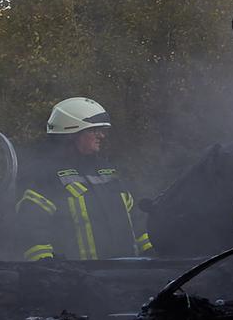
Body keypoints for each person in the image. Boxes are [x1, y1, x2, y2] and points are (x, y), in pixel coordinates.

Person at [17, 97, 155, 261]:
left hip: (124, 276)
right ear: (71, 134)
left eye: (102, 130)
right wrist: (49, 270)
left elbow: (135, 220)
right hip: (78, 281)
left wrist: (150, 252)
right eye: (94, 130)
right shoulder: (45, 176)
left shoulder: (107, 171)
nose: (102, 136)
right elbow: (31, 230)